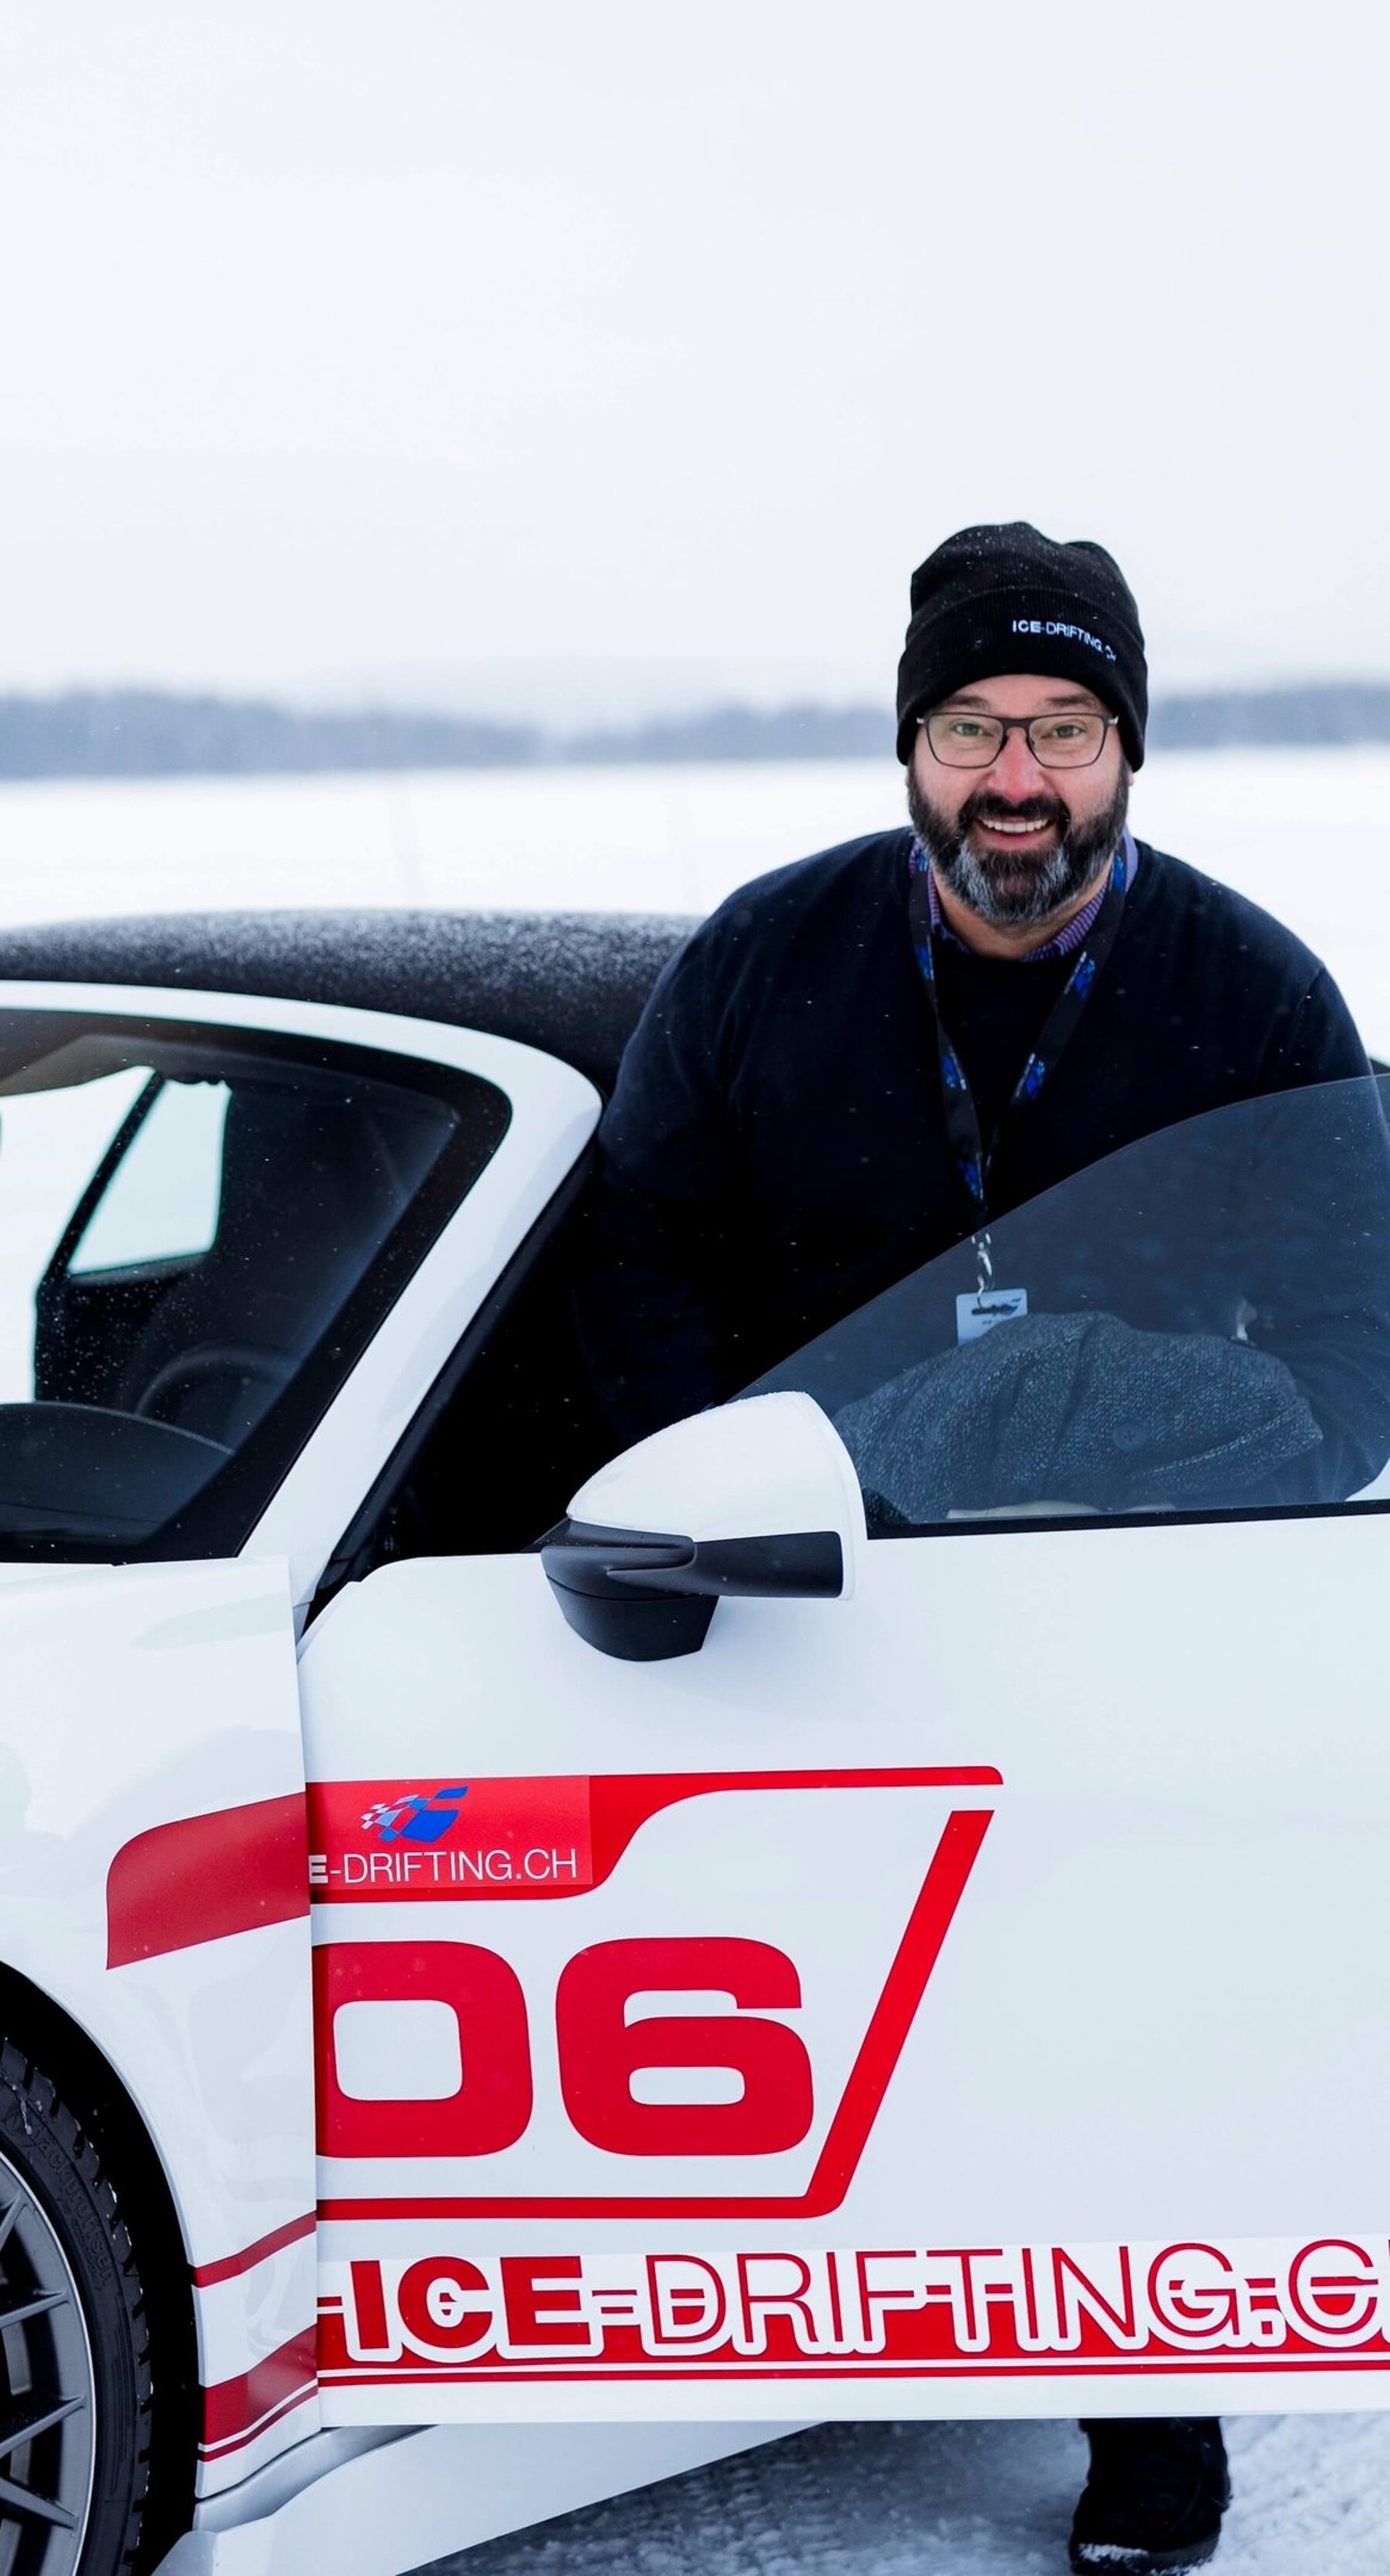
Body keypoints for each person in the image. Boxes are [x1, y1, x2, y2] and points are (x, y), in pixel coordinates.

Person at [575, 520, 1379, 2572]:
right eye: (970, 727)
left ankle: (1148, 2395)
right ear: (909, 740)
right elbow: (634, 1274)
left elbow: (1371, 1321)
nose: (1015, 781)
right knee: (800, 1985)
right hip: (819, 1569)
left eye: (1063, 730)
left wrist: (1216, 1471)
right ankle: (792, 2308)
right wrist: (765, 1471)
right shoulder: (762, 968)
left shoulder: (1254, 988)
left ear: (1128, 749)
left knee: (1120, 1986)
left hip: (1135, 1594)